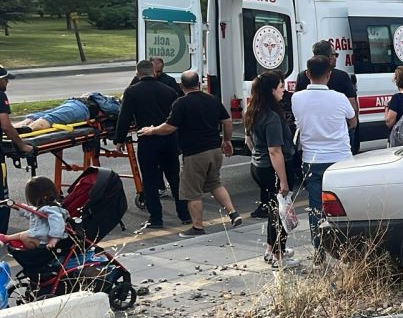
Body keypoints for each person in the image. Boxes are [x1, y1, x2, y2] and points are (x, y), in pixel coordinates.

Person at [138, 71, 242, 237]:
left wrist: (152, 130)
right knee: (215, 183)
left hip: (195, 154)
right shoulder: (212, 99)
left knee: (192, 192)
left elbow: (170, 127)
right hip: (215, 150)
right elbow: (227, 121)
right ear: (199, 84)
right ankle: (233, 213)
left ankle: (197, 227)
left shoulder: (181, 103)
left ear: (181, 86)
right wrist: (227, 140)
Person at [292, 56, 356, 253]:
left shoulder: (297, 98)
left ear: (307, 74)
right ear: (329, 75)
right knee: (344, 205)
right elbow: (353, 121)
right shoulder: (340, 98)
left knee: (315, 207)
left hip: (312, 160)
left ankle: (319, 250)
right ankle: (345, 247)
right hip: (340, 158)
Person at [116, 59, 190, 229]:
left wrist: (119, 140)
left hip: (148, 140)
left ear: (138, 74)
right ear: (153, 72)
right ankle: (184, 214)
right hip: (169, 139)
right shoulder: (169, 91)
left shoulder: (132, 92)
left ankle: (156, 218)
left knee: (149, 180)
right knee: (174, 178)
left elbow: (124, 118)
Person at [243, 71, 300, 268]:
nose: (284, 90)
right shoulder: (272, 117)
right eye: (281, 86)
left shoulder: (252, 111)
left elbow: (248, 141)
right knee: (280, 213)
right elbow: (275, 150)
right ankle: (280, 257)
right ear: (271, 90)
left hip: (258, 166)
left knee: (273, 210)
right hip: (273, 168)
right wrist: (283, 180)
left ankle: (270, 249)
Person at [296, 41, 359, 153]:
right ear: (329, 57)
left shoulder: (302, 77)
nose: (336, 58)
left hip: (312, 137)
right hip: (338, 136)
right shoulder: (342, 76)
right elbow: (353, 108)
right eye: (335, 55)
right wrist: (352, 126)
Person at [0, 65, 33, 234]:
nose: (6, 82)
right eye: (5, 79)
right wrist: (22, 145)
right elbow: (5, 125)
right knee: (1, 196)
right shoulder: (0, 95)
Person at [9, 177, 68, 249]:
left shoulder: (49, 209)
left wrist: (54, 238)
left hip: (46, 240)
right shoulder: (46, 207)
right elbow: (32, 211)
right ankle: (6, 238)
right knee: (23, 235)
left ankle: (6, 238)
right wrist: (17, 206)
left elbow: (57, 220)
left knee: (24, 236)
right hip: (43, 237)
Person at [14, 92, 120, 131]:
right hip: (82, 110)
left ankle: (13, 128)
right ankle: (28, 129)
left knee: (41, 115)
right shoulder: (117, 107)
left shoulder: (104, 98)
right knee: (51, 118)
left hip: (74, 103)